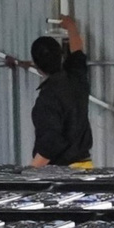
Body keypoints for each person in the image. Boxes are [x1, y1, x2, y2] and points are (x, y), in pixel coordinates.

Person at [28, 15, 93, 168]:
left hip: (64, 175)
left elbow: (52, 141)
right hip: (86, 168)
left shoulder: (47, 98)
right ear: (61, 55)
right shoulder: (77, 78)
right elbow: (78, 52)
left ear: (37, 66)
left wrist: (30, 172)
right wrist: (71, 26)